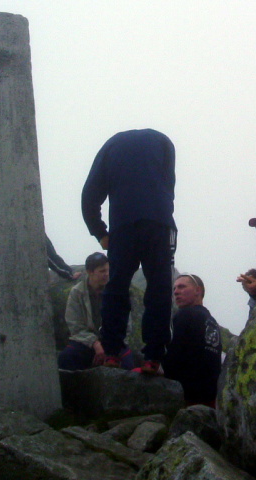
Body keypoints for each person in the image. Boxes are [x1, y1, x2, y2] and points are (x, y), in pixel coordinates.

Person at [81, 128, 177, 374]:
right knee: (159, 287)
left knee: (116, 286)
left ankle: (112, 353)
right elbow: (168, 187)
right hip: (158, 221)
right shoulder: (163, 142)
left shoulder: (111, 146)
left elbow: (89, 195)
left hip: (123, 224)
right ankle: (153, 358)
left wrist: (101, 233)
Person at [57, 252, 134, 371]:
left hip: (113, 342)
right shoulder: (77, 293)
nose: (107, 274)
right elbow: (75, 327)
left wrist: (110, 347)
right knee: (65, 358)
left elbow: (126, 325)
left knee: (127, 365)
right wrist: (95, 343)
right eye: (102, 271)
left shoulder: (117, 291)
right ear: (90, 272)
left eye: (108, 270)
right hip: (87, 343)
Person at [162, 274, 222, 407]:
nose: (176, 292)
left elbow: (171, 356)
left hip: (186, 395)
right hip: (210, 397)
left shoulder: (185, 315)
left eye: (182, 287)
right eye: (174, 288)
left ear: (198, 290)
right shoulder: (212, 322)